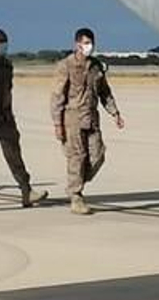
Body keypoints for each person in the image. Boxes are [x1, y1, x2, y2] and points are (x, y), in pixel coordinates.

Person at [50, 27, 125, 215]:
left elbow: (104, 92)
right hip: (72, 118)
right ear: (77, 44)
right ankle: (76, 196)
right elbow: (57, 96)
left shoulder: (96, 67)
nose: (88, 46)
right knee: (77, 157)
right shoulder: (65, 66)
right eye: (85, 43)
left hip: (91, 117)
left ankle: (76, 183)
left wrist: (115, 113)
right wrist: (58, 124)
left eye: (90, 43)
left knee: (98, 155)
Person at [0, 28, 47, 208]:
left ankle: (26, 191)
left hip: (5, 116)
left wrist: (7, 112)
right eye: (0, 41)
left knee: (14, 153)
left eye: (5, 40)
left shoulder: (7, 64)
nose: (4, 44)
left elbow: (7, 90)